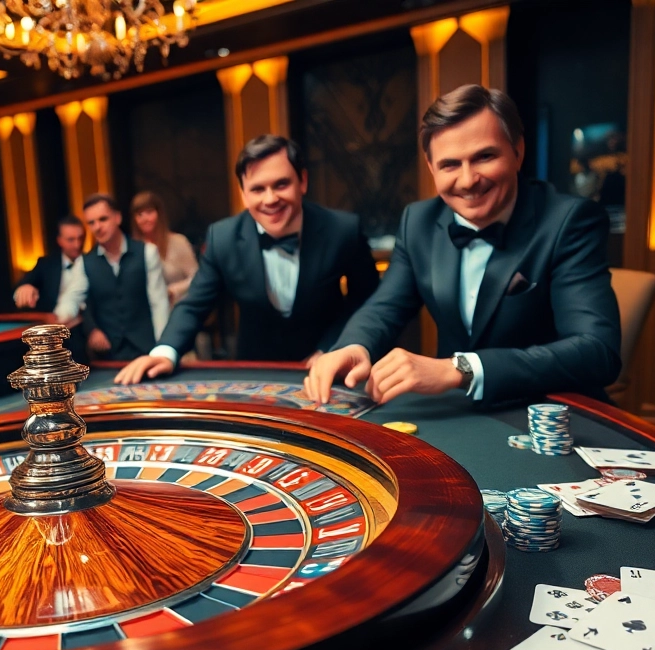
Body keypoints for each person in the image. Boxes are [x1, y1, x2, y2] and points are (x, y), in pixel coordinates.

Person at [304, 85, 620, 408]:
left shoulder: (569, 221)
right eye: (450, 165)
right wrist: (355, 345)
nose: (468, 180)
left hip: (553, 411)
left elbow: (597, 351)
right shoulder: (418, 222)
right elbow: (384, 307)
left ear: (518, 151)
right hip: (457, 412)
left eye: (484, 156)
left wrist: (461, 369)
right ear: (431, 168)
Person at [114, 134, 379, 385]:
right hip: (255, 372)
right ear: (243, 194)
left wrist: (332, 348)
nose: (270, 199)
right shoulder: (223, 237)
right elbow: (195, 305)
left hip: (333, 366)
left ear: (303, 181)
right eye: (257, 189)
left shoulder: (343, 230)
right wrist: (165, 351)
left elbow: (366, 299)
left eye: (281, 184)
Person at [55, 194, 170, 361]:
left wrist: (162, 349)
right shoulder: (85, 262)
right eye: (91, 223)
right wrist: (60, 317)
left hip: (147, 349)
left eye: (103, 219)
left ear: (117, 218)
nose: (97, 227)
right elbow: (71, 298)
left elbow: (159, 303)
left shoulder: (147, 252)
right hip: (109, 355)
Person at [130, 191, 198, 306]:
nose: (145, 219)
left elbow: (196, 278)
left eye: (149, 212)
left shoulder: (179, 242)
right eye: (139, 215)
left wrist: (172, 290)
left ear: (159, 214)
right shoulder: (132, 248)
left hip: (179, 307)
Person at [13, 216, 87, 314]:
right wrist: (25, 287)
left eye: (80, 238)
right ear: (59, 241)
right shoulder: (46, 264)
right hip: (53, 324)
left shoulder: (95, 263)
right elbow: (22, 285)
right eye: (71, 240)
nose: (77, 245)